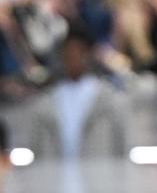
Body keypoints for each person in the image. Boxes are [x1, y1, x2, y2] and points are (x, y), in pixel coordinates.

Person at [24, 30, 128, 160]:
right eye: (68, 54)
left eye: (78, 53)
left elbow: (122, 145)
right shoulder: (46, 102)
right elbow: (36, 148)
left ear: (88, 55)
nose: (73, 59)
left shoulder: (110, 100)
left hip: (100, 174)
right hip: (56, 175)